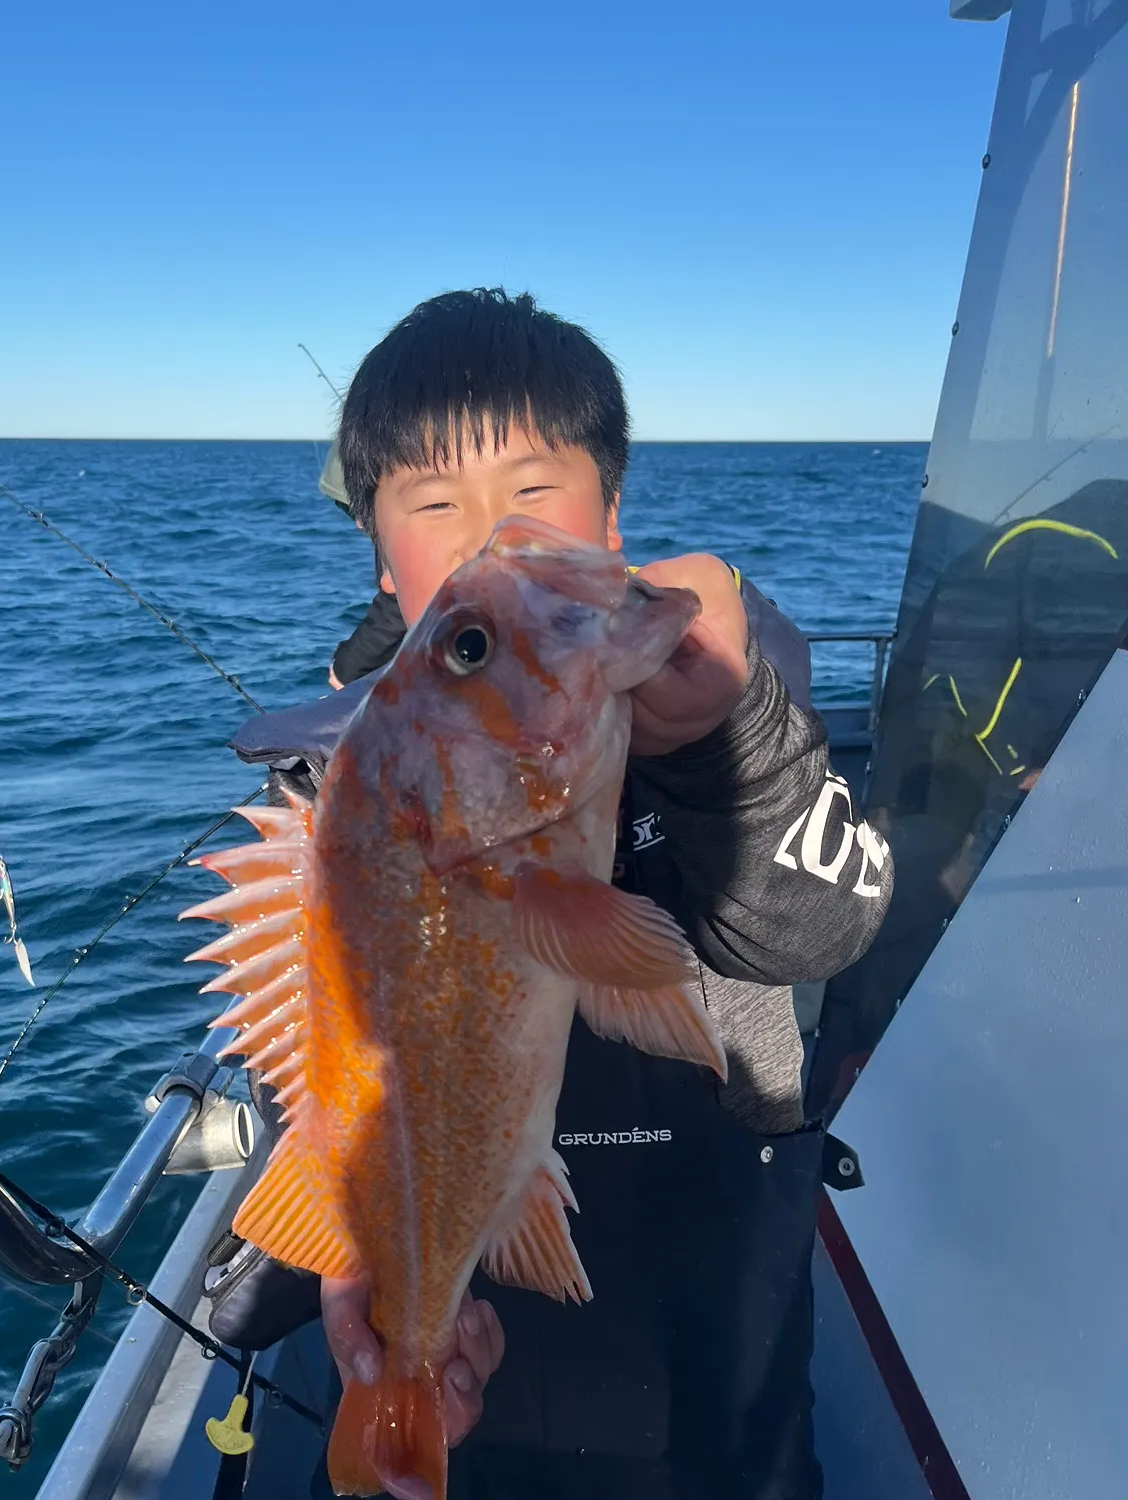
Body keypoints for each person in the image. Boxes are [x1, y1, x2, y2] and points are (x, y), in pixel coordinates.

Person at [205, 288, 893, 1500]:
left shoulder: (720, 704)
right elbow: (327, 1079)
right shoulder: (337, 800)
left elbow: (823, 924)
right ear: (381, 559)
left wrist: (728, 746)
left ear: (611, 517)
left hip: (703, 1307)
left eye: (534, 491)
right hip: (466, 1318)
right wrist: (365, 1268)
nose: (493, 538)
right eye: (435, 505)